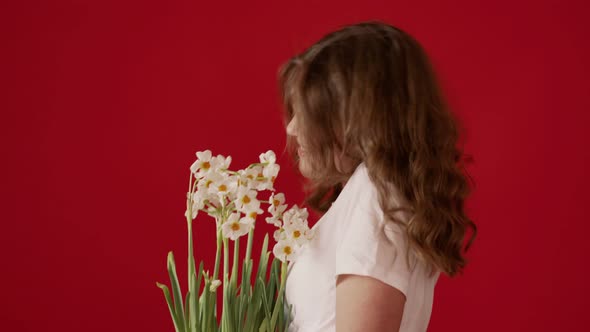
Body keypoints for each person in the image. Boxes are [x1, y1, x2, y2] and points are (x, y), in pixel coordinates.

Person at [277, 20, 478, 332]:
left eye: (309, 113)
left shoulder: (375, 199)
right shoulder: (375, 195)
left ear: (356, 119)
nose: (292, 128)